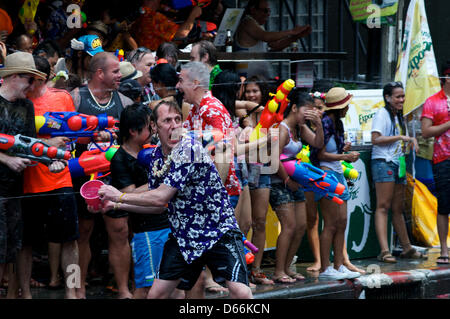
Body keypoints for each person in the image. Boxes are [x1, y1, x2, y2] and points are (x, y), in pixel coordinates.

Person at [96, 100, 253, 299]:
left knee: (241, 292)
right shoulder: (155, 157)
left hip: (217, 231)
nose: (174, 125)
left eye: (178, 119)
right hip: (184, 236)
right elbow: (159, 207)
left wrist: (119, 196)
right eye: (167, 120)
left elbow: (160, 196)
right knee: (156, 294)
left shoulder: (189, 150)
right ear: (154, 126)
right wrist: (118, 204)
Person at [14, 56, 79, 299]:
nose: (23, 83)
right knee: (26, 244)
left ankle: (72, 291)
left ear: (39, 78)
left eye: (27, 77)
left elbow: (72, 134)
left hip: (60, 180)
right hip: (27, 183)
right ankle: (26, 293)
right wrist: (46, 145)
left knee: (70, 241)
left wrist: (65, 152)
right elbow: (12, 142)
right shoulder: (17, 101)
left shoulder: (62, 97)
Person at [70, 51, 133, 299]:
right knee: (81, 233)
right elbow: (63, 134)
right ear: (100, 73)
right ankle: (79, 287)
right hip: (82, 175)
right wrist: (90, 136)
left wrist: (116, 136)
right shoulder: (75, 98)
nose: (120, 75)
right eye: (116, 71)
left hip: (114, 175)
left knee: (119, 231)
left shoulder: (125, 102)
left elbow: (132, 139)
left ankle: (124, 289)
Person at [0, 52, 63, 296]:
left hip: (16, 190)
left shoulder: (26, 105)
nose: (31, 86)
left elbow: (29, 145)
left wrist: (50, 161)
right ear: (13, 76)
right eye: (28, 79)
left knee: (11, 248)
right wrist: (6, 159)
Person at [178, 61, 240, 294]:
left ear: (195, 83)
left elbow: (224, 152)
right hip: (204, 195)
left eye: (181, 80)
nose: (178, 86)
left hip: (214, 197)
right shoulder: (196, 109)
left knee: (226, 265)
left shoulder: (211, 109)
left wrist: (214, 196)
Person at [109, 103, 178, 299]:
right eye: (150, 126)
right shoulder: (120, 159)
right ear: (132, 131)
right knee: (147, 288)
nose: (154, 130)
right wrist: (160, 184)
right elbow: (128, 193)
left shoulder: (154, 150)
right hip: (147, 231)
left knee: (175, 289)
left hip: (167, 224)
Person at [269, 90, 323, 283]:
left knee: (301, 226)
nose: (308, 115)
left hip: (295, 182)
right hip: (279, 182)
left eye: (311, 112)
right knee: (289, 226)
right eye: (305, 111)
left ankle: (287, 267)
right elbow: (273, 159)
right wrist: (287, 182)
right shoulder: (283, 130)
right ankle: (278, 271)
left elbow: (318, 142)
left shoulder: (299, 128)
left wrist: (318, 125)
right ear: (293, 108)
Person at [371, 82, 425, 263]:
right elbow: (375, 139)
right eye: (397, 97)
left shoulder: (398, 116)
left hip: (398, 163)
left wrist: (407, 140)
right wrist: (402, 137)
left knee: (398, 208)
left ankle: (407, 247)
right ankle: (384, 251)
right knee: (383, 207)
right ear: (387, 97)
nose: (401, 100)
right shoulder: (381, 113)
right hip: (383, 162)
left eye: (403, 96)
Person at [311, 87, 361, 280]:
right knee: (331, 224)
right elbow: (321, 154)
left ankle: (339, 266)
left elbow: (333, 150)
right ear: (340, 107)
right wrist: (344, 155)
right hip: (326, 175)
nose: (348, 108)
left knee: (342, 223)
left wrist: (344, 149)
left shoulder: (337, 123)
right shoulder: (324, 124)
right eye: (346, 105)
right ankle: (326, 268)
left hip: (338, 174)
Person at [241, 75, 273, 285]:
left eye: (256, 91)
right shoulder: (242, 112)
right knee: (243, 225)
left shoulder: (270, 115)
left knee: (259, 223)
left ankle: (257, 269)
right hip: (244, 172)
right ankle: (240, 271)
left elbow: (271, 146)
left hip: (262, 171)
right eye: (248, 91)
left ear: (263, 91)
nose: (252, 94)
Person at [234, 0, 311, 79]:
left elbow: (274, 45)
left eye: (269, 11)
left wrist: (296, 37)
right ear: (253, 10)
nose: (268, 14)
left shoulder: (258, 25)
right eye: (265, 10)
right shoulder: (247, 22)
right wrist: (292, 31)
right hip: (248, 75)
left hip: (258, 76)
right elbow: (266, 36)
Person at [421, 64, 450, 265]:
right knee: (444, 205)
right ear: (447, 78)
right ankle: (444, 250)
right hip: (443, 158)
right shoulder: (432, 102)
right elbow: (425, 131)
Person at [131, 0, 203, 51]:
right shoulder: (152, 17)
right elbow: (182, 33)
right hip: (152, 54)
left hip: (143, 52)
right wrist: (193, 15)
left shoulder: (139, 12)